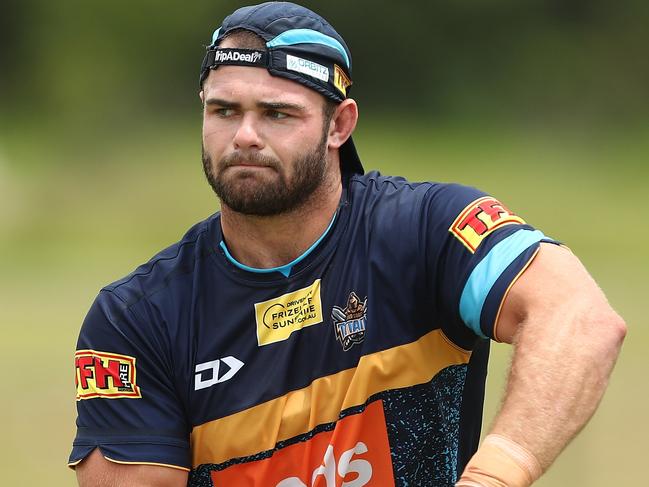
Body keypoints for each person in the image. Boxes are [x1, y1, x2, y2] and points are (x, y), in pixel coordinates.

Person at [69, 2, 626, 486]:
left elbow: (579, 317)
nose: (244, 135)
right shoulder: (135, 320)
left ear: (339, 126)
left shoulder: (425, 229)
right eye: (224, 111)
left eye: (277, 114)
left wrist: (493, 476)